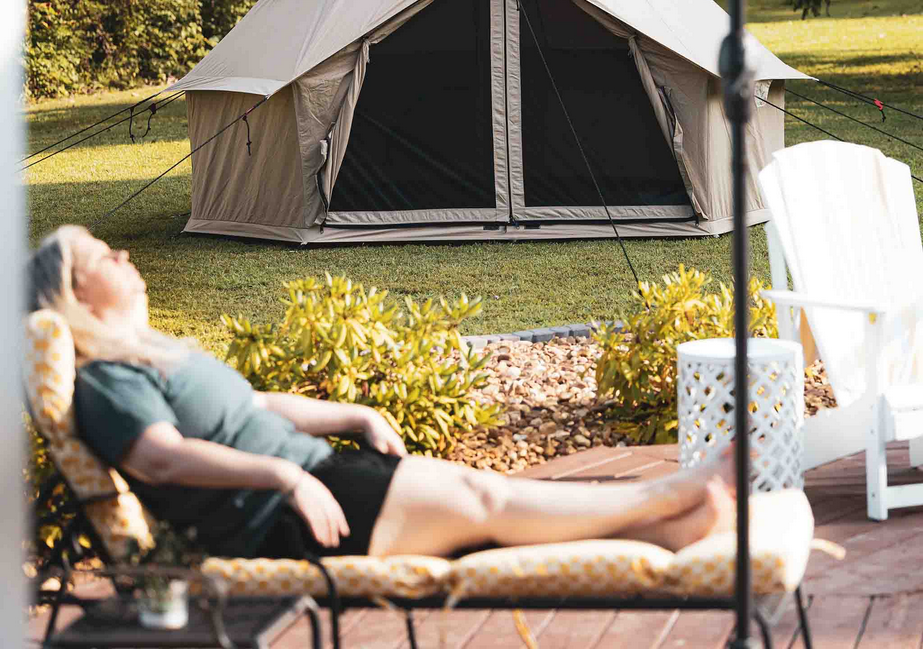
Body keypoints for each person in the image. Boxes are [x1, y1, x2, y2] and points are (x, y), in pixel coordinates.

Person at [26, 225, 736, 561]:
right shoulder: (106, 381)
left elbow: (257, 405)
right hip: (283, 518)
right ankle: (668, 494)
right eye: (103, 257)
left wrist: (355, 413)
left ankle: (662, 534)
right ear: (76, 294)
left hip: (319, 479)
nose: (125, 256)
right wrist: (283, 474)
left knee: (486, 520)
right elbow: (163, 459)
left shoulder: (157, 359)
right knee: (486, 503)